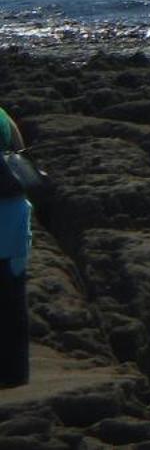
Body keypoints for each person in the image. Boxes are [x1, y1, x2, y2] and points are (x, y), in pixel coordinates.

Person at [0, 105, 29, 388]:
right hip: (13, 218)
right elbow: (20, 150)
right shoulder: (3, 118)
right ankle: (16, 372)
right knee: (13, 302)